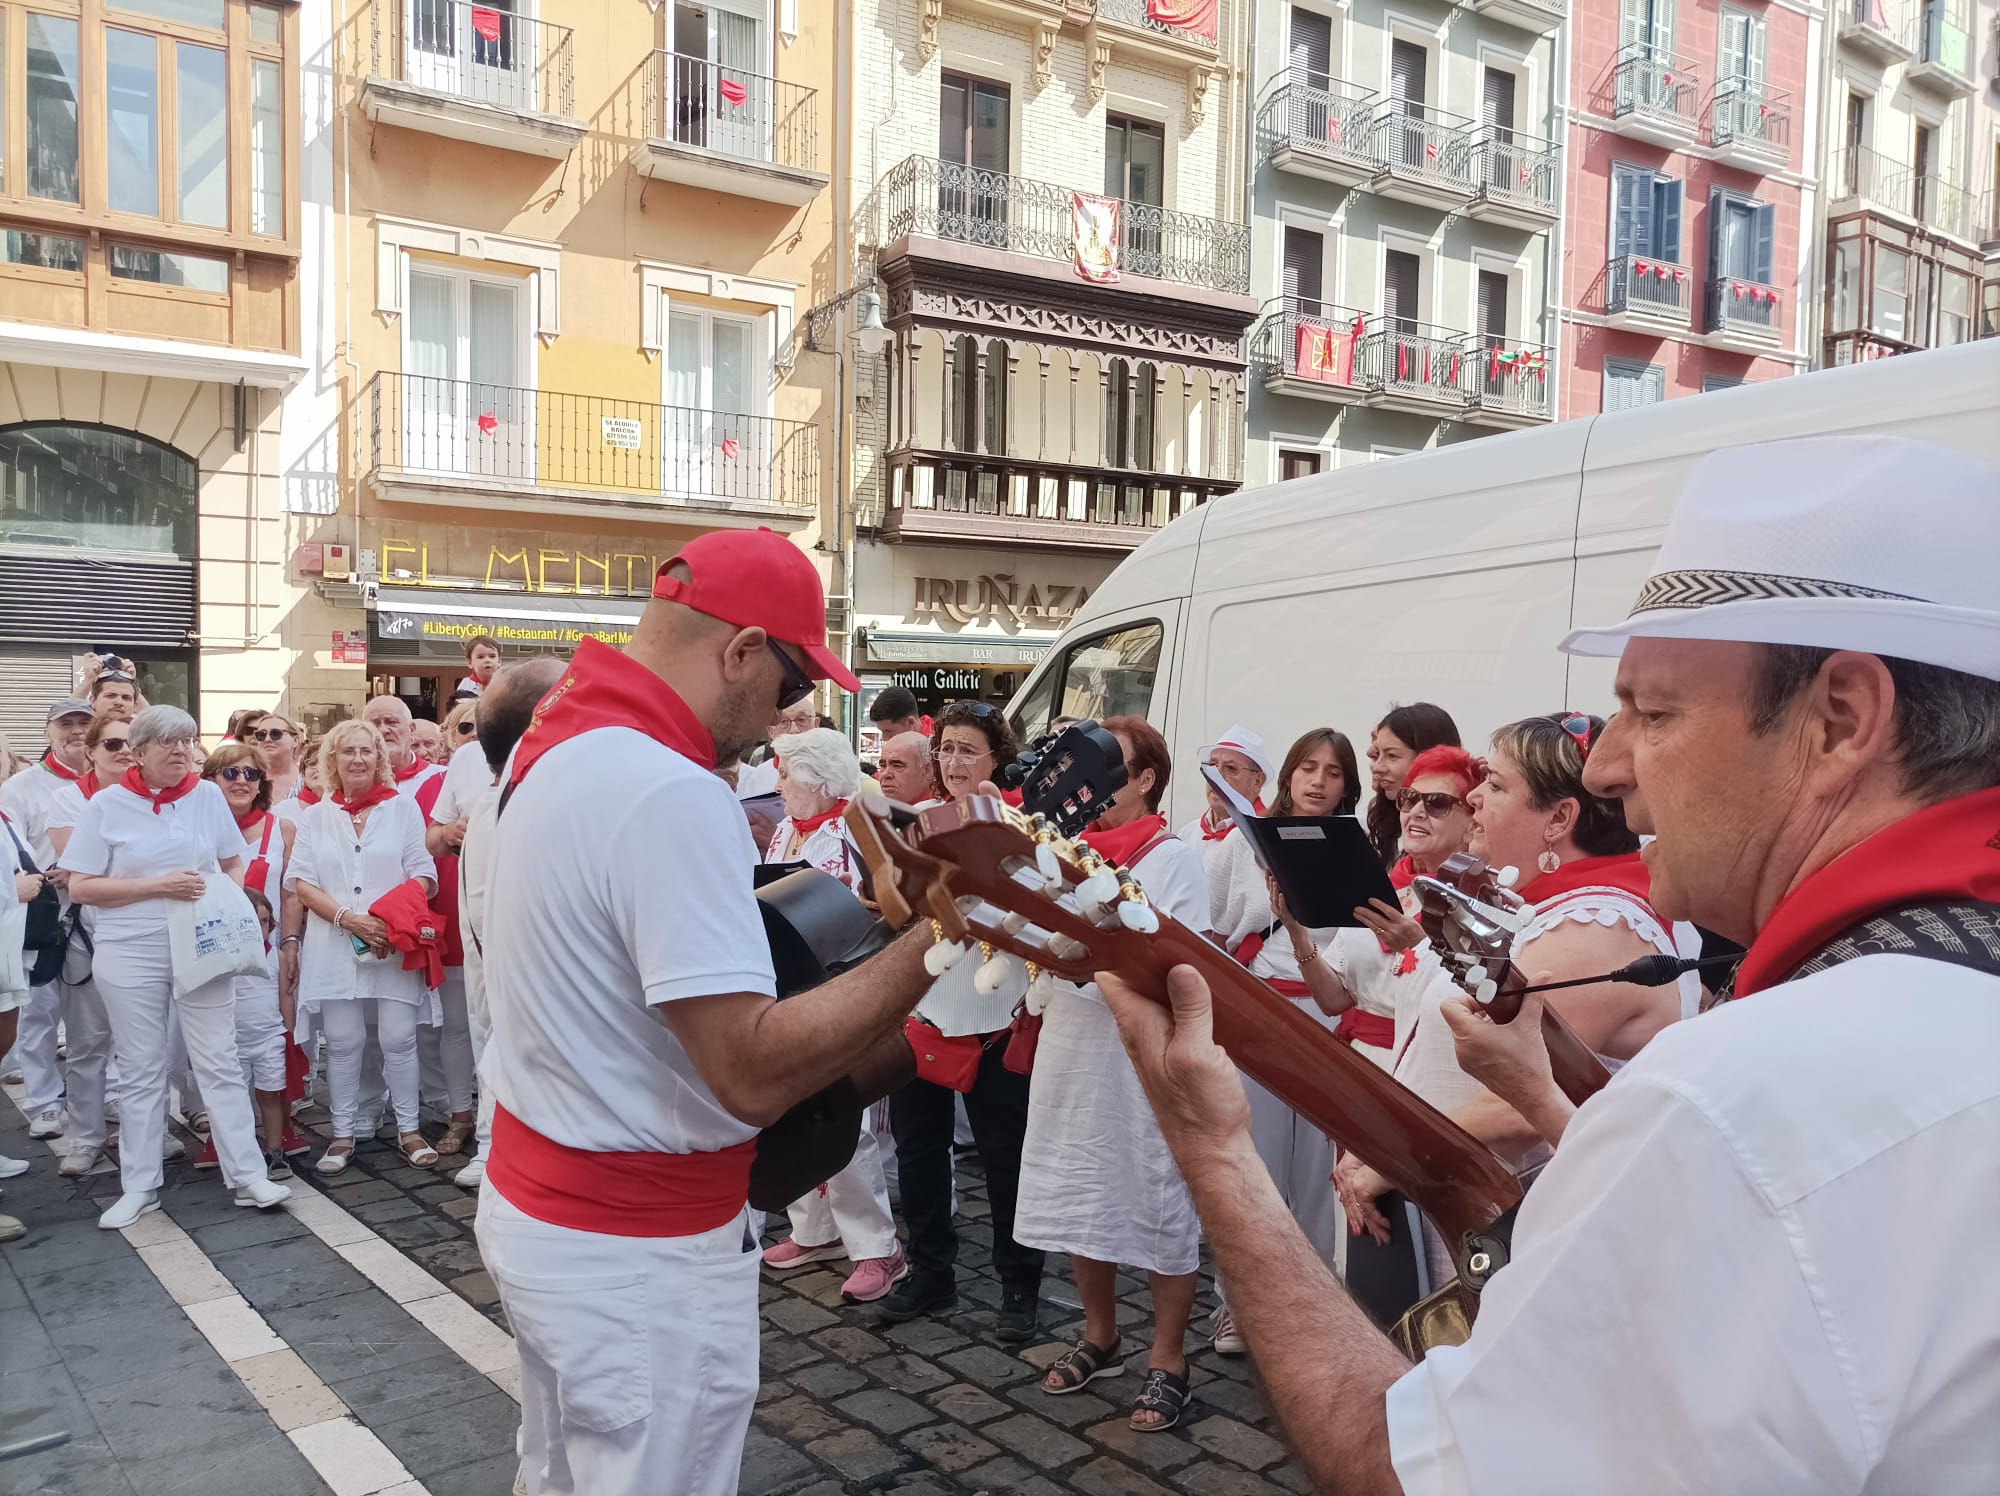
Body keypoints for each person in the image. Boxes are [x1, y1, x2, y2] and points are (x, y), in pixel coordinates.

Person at [1100, 434, 2000, 1495]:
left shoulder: (1740, 1101)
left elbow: (1413, 1474)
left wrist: (1212, 1152)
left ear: (1839, 720)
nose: (1610, 762)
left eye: (1652, 709)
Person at [475, 526, 942, 1496]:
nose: (788, 710)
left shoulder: (552, 736)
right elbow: (748, 1069)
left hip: (547, 1206)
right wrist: (941, 941)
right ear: (738, 649)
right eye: (785, 684)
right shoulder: (665, 786)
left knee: (557, 1472)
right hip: (635, 1253)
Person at [1016, 716, 1210, 1431]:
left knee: (1157, 1195)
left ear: (1145, 779)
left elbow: (1176, 963)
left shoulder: (1173, 857)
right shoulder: (1063, 847)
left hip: (1141, 1051)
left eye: (1106, 769)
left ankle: (1168, 1359)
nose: (1082, 787)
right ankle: (1101, 1334)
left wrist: (1088, 947)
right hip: (1073, 1039)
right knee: (1081, 1185)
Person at [61, 705, 290, 1228]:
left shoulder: (207, 795)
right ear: (137, 753)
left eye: (187, 741)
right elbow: (80, 886)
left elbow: (231, 861)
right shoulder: (107, 806)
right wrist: (155, 886)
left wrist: (233, 903)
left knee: (219, 1059)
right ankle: (139, 1185)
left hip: (202, 941)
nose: (181, 751)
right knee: (142, 1068)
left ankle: (248, 1175)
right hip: (130, 946)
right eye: (167, 743)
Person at [880, 700, 1045, 1340]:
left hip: (994, 1011)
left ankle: (1019, 1282)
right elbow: (892, 912)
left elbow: (1035, 921)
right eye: (945, 748)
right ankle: (930, 1270)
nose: (952, 762)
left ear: (997, 759)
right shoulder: (913, 820)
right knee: (920, 1150)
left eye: (967, 750)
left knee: (1006, 1156)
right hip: (926, 1006)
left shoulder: (1018, 826)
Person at [757, 727, 907, 1303]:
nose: (778, 784)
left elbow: (880, 909)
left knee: (851, 1121)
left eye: (786, 773)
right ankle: (813, 1231)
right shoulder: (786, 833)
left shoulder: (853, 828)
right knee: (794, 1113)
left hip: (843, 987)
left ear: (818, 779)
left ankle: (878, 1247)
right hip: (790, 988)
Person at [287, 720, 439, 1174]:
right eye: (347, 751)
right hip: (335, 943)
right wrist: (346, 918)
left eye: (366, 751)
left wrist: (388, 917)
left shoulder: (403, 809)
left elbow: (424, 873)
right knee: (344, 1040)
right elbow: (301, 882)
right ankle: (342, 1132)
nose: (358, 759)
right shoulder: (315, 817)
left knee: (399, 1037)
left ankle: (409, 1130)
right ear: (332, 760)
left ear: (380, 759)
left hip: (389, 943)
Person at [448, 658, 566, 1190]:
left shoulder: (515, 799)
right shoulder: (511, 804)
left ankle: (501, 1148)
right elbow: (484, 913)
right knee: (497, 1036)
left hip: (512, 978)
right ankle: (497, 1147)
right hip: (510, 976)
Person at [199, 741, 311, 1167]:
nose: (242, 781)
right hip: (210, 952)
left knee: (272, 1040)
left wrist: (290, 943)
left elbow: (291, 894)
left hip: (265, 955)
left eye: (251, 774)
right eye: (230, 773)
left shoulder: (280, 829)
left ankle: (279, 1128)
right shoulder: (197, 829)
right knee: (214, 1044)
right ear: (210, 781)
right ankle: (224, 1132)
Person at [41, 712, 132, 1177]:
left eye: (131, 743)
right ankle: (87, 1137)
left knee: (142, 1046)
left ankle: (145, 1134)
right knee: (87, 1044)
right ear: (91, 751)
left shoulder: (152, 799)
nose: (123, 751)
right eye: (112, 744)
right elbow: (82, 871)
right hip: (87, 937)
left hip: (140, 936)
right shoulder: (67, 798)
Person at [0, 697, 95, 1139]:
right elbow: (14, 855)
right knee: (38, 1013)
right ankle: (43, 1102)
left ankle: (99, 1095)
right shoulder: (21, 786)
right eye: (66, 724)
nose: (76, 731)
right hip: (38, 912)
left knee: (93, 1015)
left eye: (84, 723)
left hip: (90, 912)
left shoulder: (106, 783)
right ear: (47, 733)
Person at [233, 887, 293, 1178]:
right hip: (234, 1042)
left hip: (269, 1037)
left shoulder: (277, 956)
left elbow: (285, 997)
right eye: (252, 921)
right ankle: (240, 1153)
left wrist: (290, 1035)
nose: (260, 928)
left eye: (265, 921)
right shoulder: (228, 957)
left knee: (271, 1096)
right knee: (236, 1101)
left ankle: (274, 1151)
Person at [1365, 703, 1461, 866]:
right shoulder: (1381, 817)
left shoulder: (1470, 828)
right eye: (1377, 754)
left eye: (1392, 756)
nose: (1378, 767)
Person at [1176, 724, 1274, 882]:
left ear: (1257, 781)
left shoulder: (1265, 839)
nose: (1217, 776)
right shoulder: (1187, 833)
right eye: (1212, 765)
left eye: (1230, 768)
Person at [734, 697, 818, 800]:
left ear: (816, 725)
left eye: (801, 720)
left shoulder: (834, 773)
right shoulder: (754, 780)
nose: (794, 730)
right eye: (783, 722)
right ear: (771, 731)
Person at [247, 714, 306, 810]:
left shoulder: (308, 779)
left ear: (295, 741)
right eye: (261, 735)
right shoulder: (247, 778)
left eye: (275, 734)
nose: (267, 739)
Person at [874, 731, 933, 806]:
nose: (885, 774)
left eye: (897, 766)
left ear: (928, 771)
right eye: (882, 766)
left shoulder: (943, 813)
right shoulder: (872, 810)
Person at [452, 633, 502, 702]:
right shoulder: (466, 685)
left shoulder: (505, 684)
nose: (487, 660)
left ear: (499, 661)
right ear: (469, 662)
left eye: (492, 656)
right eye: (480, 657)